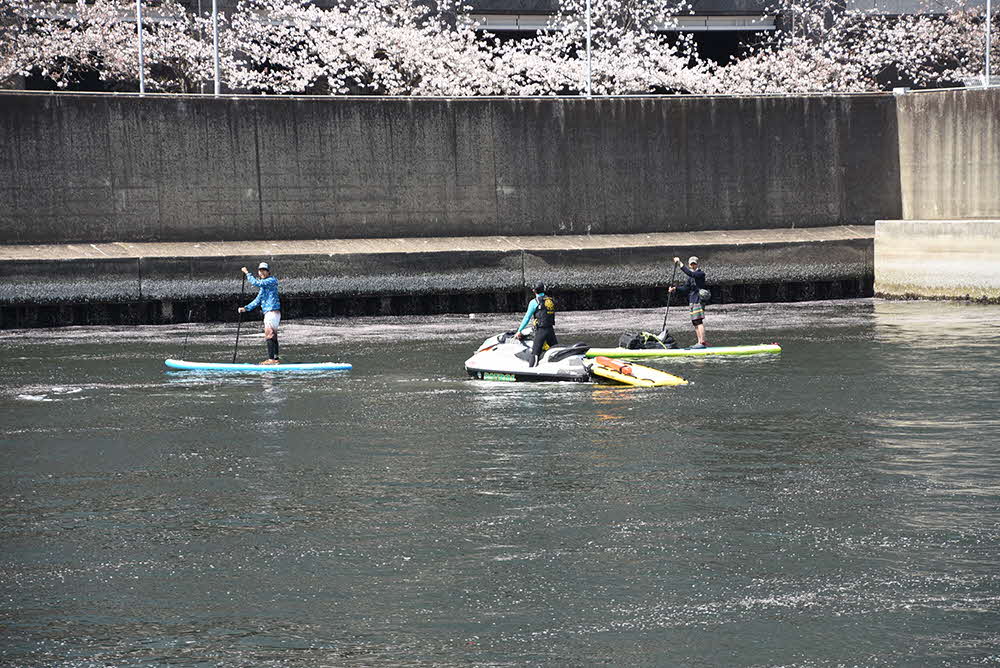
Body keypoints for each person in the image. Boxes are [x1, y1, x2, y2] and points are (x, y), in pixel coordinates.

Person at [238, 262, 282, 365]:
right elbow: (257, 300)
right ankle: (275, 358)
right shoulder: (264, 287)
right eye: (260, 271)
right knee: (273, 336)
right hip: (272, 313)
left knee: (269, 335)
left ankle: (271, 360)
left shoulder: (271, 280)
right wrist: (245, 308)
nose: (262, 272)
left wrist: (247, 273)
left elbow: (257, 283)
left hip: (271, 312)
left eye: (264, 270)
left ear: (268, 272)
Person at [668, 255, 709, 349]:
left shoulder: (700, 274)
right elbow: (685, 288)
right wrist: (675, 289)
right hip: (692, 301)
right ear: (689, 265)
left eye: (694, 263)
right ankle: (699, 342)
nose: (693, 265)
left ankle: (702, 342)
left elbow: (691, 274)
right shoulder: (690, 277)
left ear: (697, 264)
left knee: (699, 321)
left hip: (699, 300)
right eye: (691, 264)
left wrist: (680, 264)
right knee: (694, 322)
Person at [514, 282, 557, 367]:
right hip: (550, 330)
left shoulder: (534, 302)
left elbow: (527, 318)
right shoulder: (550, 300)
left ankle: (531, 372)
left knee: (535, 353)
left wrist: (519, 331)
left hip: (541, 330)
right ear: (544, 290)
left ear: (534, 291)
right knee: (556, 351)